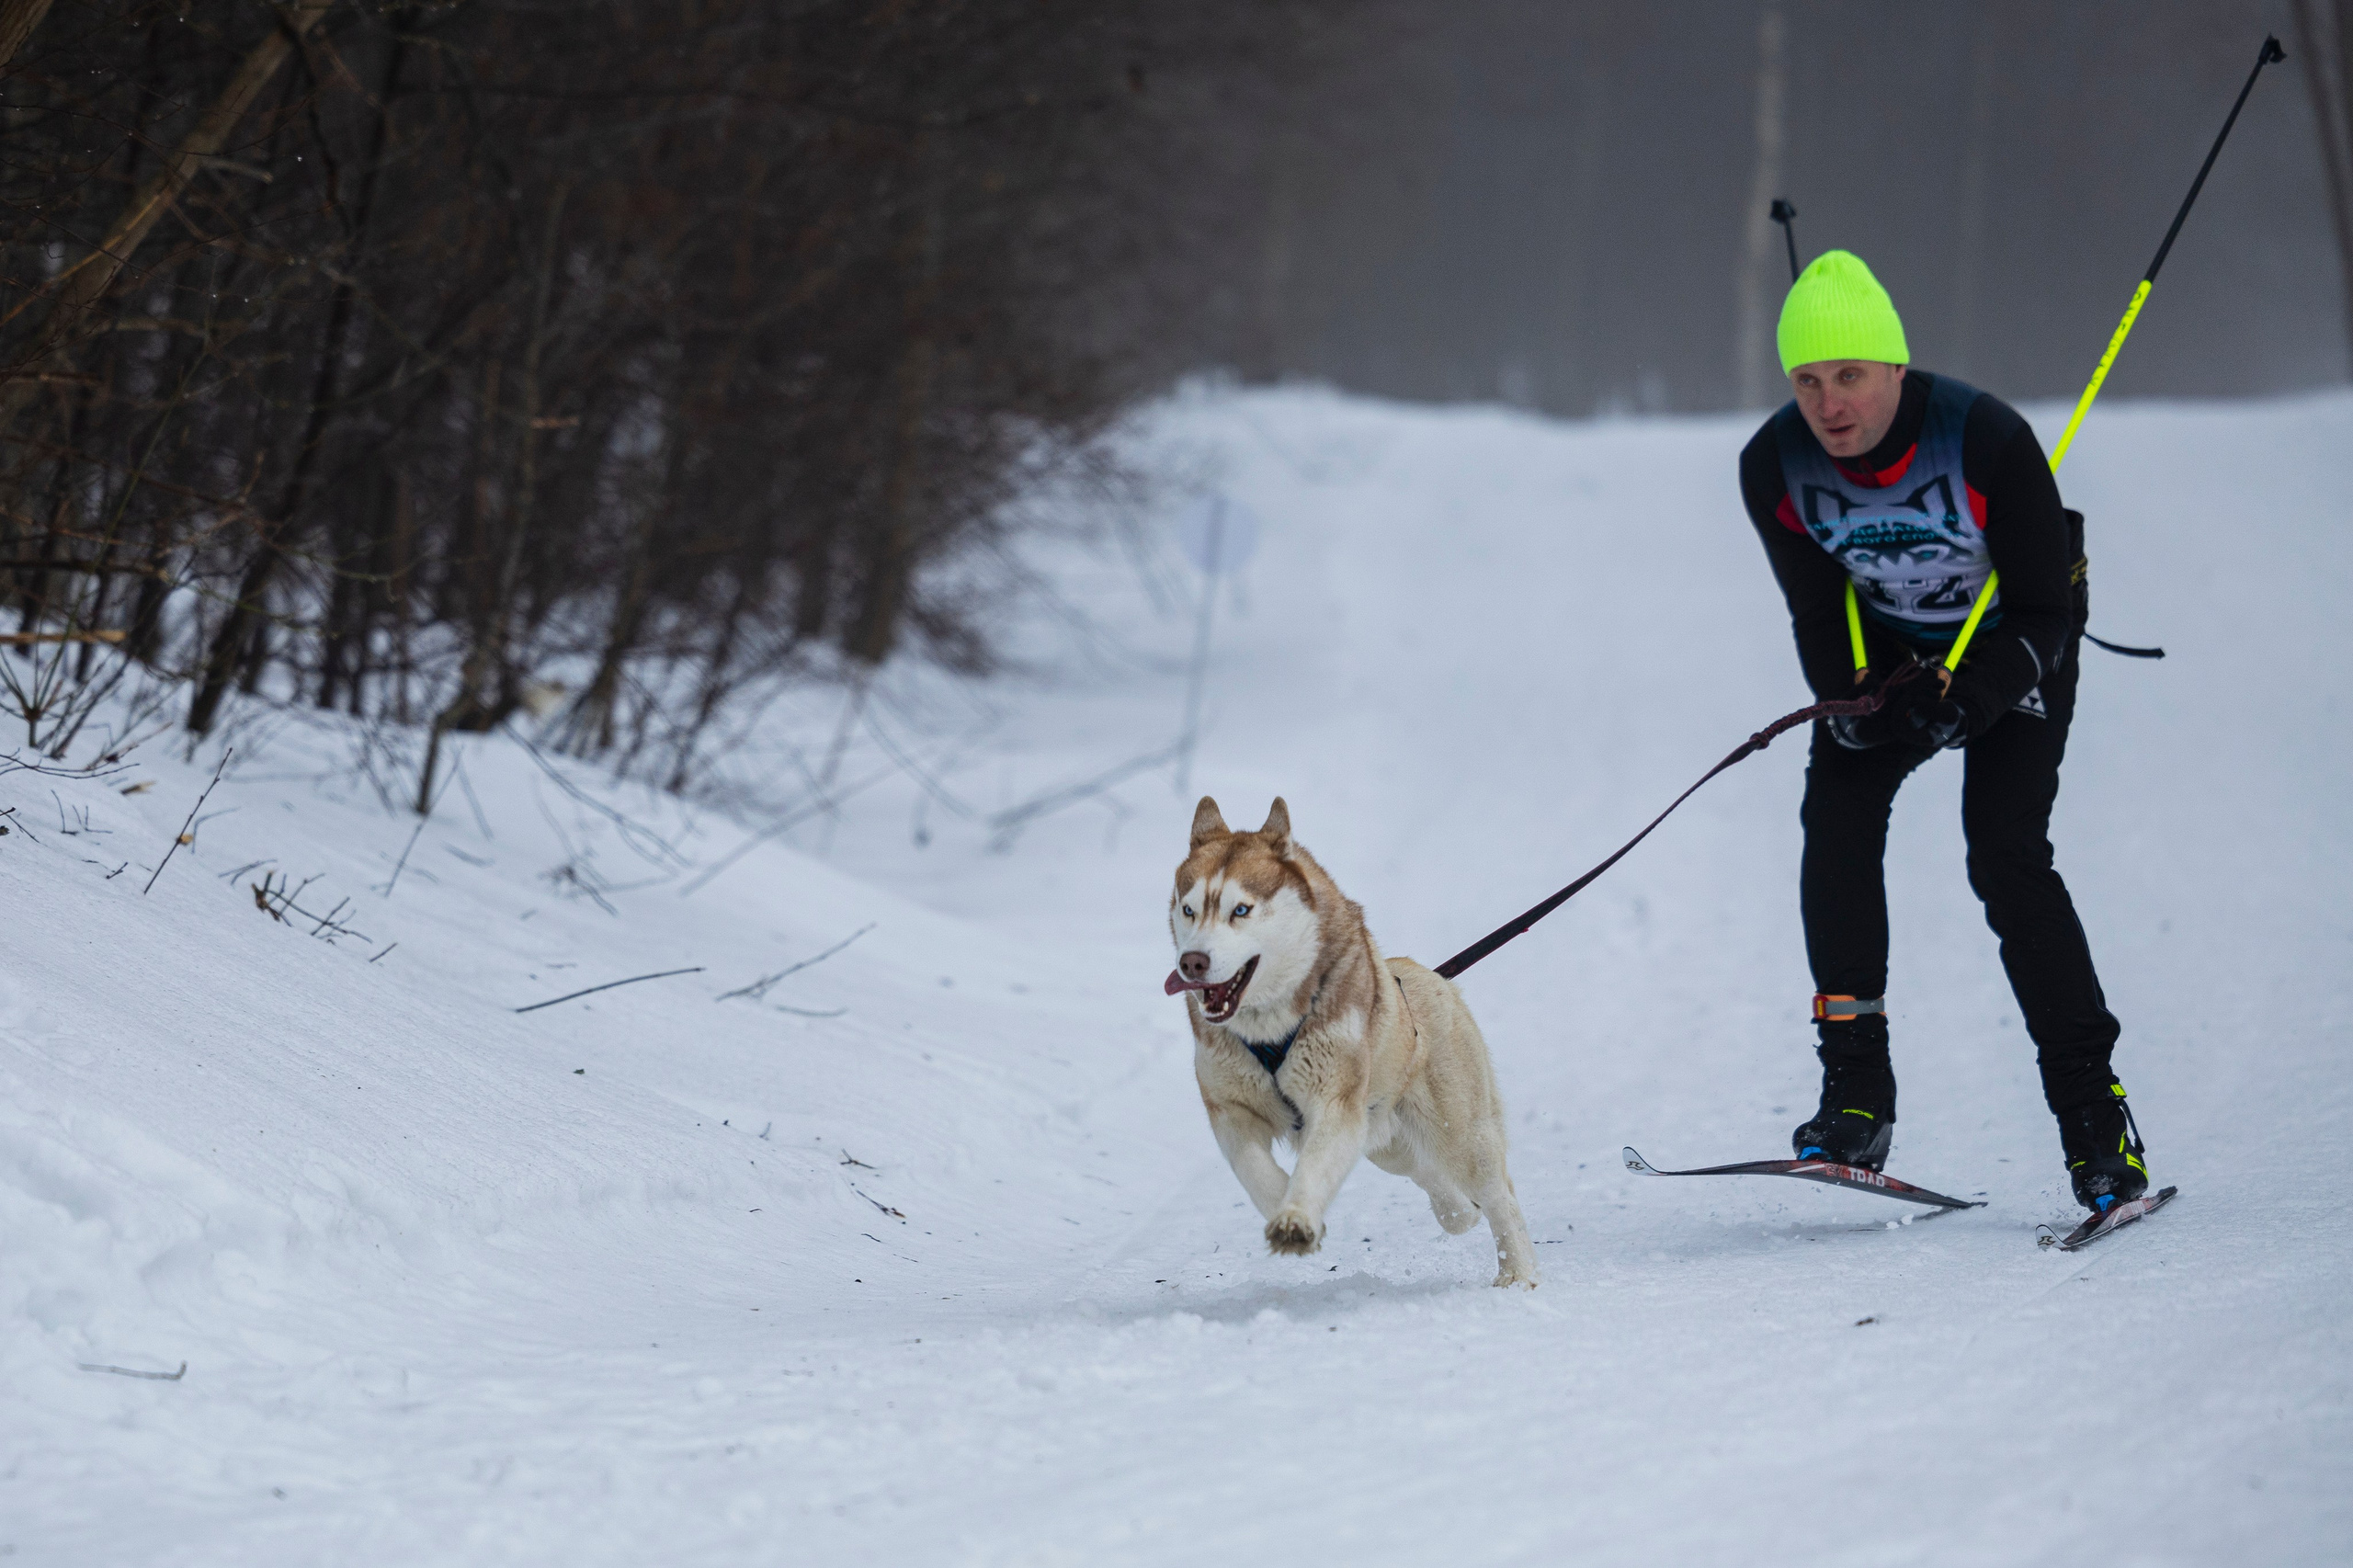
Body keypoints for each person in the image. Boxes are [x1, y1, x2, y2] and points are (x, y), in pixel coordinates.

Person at [1737, 249, 2148, 1216]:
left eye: (1849, 375)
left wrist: (1975, 697)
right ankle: (1854, 1098)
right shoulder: (1774, 464)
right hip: (1889, 652)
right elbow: (1814, 606)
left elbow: (2048, 613)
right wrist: (1850, 701)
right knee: (1834, 818)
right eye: (1807, 380)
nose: (1829, 403)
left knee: (2002, 852)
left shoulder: (1986, 439)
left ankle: (2096, 1123)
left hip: (2011, 645)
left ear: (1893, 368)